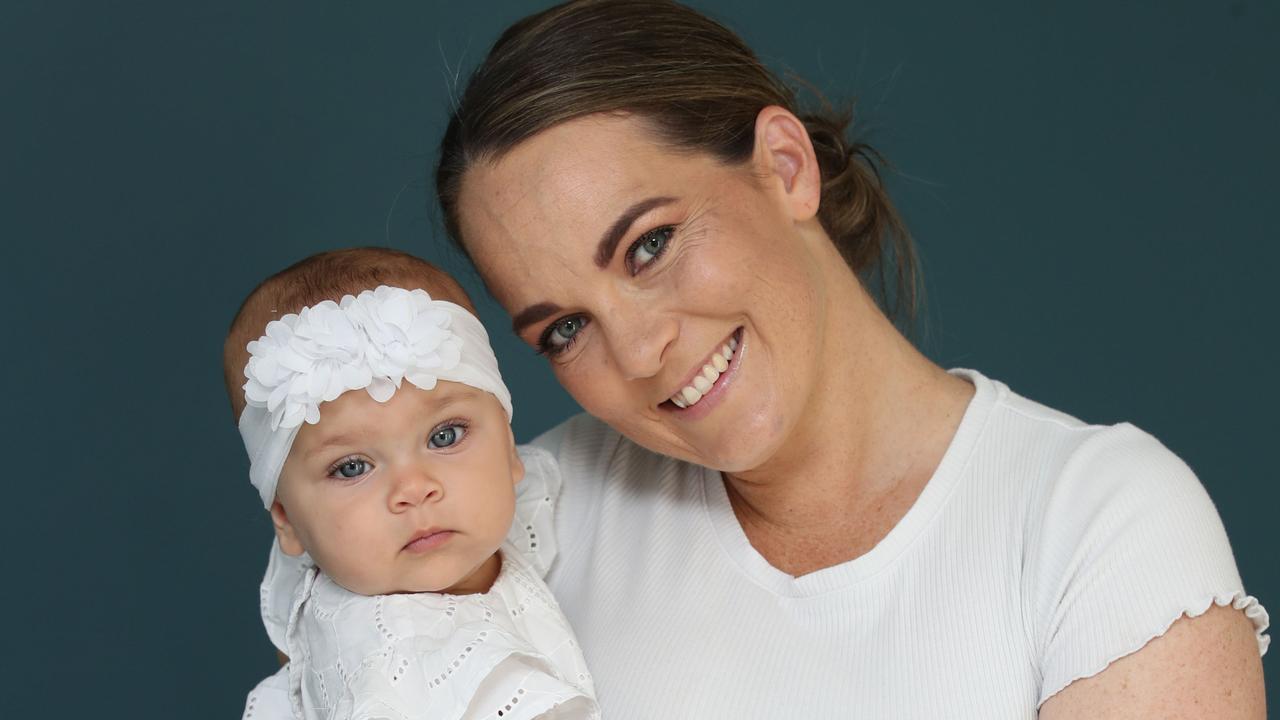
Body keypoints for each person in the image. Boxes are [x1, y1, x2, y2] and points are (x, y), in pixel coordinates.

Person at [430, 0, 1269, 717]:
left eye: (649, 245)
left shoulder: (1091, 523)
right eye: (564, 331)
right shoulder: (526, 522)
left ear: (785, 168)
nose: (642, 352)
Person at [226, 248, 598, 720]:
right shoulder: (406, 665)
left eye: (445, 437)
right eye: (352, 467)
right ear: (287, 519)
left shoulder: (331, 566)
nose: (414, 488)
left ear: (508, 450)